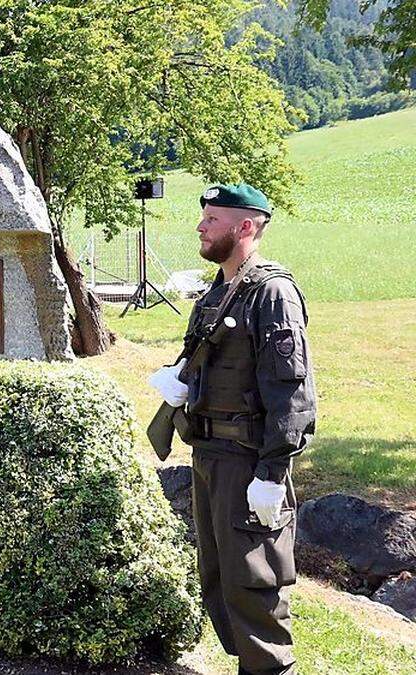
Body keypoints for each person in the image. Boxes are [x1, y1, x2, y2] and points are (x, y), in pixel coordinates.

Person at [147, 184, 316, 675]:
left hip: (246, 462)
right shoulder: (218, 292)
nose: (200, 226)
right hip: (209, 454)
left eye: (213, 218)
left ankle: (269, 668)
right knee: (218, 576)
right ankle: (250, 664)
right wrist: (181, 381)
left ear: (246, 226)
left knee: (253, 579)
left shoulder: (272, 294)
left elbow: (291, 392)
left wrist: (272, 471)